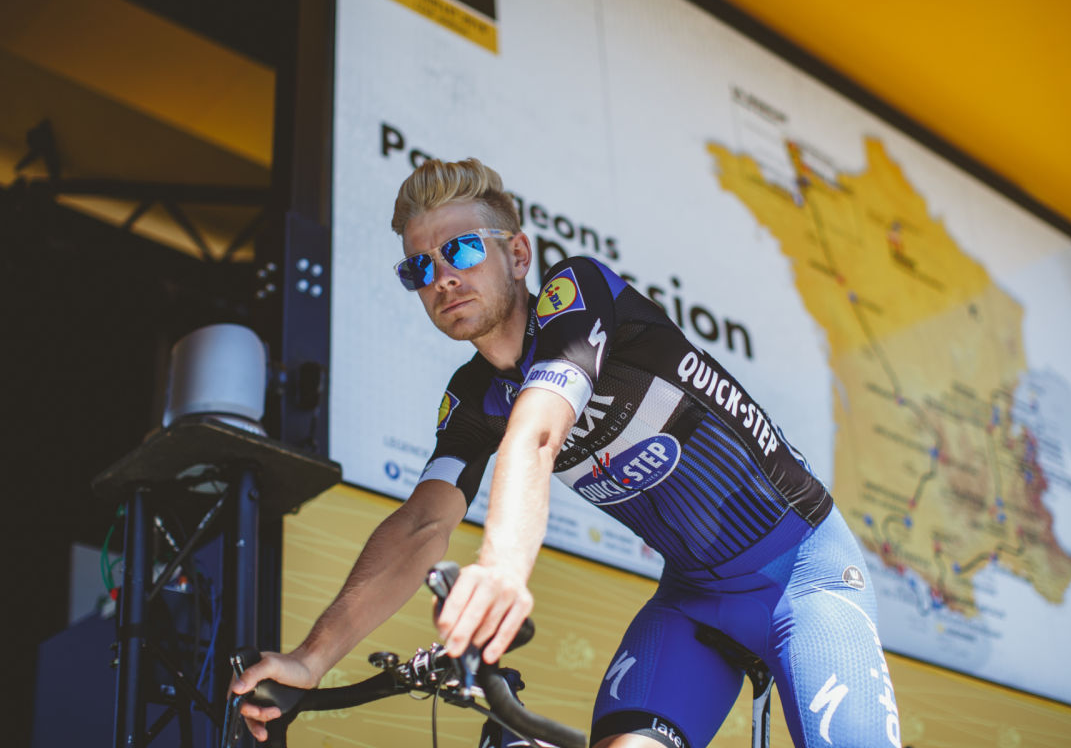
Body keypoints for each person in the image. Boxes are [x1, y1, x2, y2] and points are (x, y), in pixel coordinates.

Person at [234, 158, 902, 748]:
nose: (443, 277)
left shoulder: (576, 295)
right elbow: (421, 524)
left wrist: (502, 569)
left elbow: (537, 431)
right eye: (420, 267)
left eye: (461, 249)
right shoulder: (472, 398)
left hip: (804, 574)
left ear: (518, 255)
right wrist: (311, 659)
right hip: (693, 602)